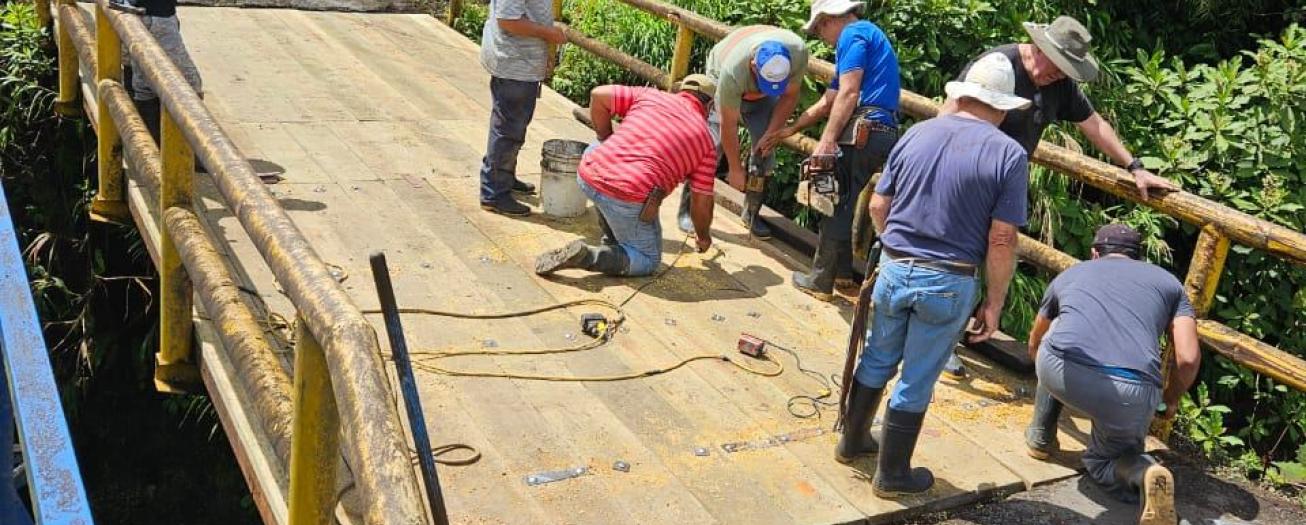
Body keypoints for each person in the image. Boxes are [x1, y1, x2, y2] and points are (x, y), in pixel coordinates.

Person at [939, 15, 1181, 379]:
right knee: (954, 257)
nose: (1057, 75)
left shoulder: (1061, 85)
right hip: (967, 173)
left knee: (984, 258)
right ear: (1038, 48)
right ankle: (938, 341)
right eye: (1056, 65)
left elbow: (1094, 124)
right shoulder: (998, 66)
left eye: (1066, 70)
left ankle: (949, 336)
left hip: (1004, 183)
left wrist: (1135, 166)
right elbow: (953, 108)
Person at [836, 53, 1030, 498]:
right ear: (1001, 107)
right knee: (917, 378)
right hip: (948, 279)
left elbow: (878, 206)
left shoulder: (917, 134)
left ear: (960, 96)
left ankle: (851, 441)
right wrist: (994, 303)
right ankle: (892, 475)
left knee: (878, 358)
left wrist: (894, 250)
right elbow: (1002, 240)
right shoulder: (1010, 155)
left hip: (895, 267)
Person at [1025, 223, 1200, 525]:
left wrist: (1043, 367)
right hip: (1131, 388)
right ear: (1138, 256)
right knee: (1107, 459)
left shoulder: (1072, 274)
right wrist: (1169, 399)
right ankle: (1145, 472)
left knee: (1056, 332)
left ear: (1095, 253)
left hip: (1061, 370)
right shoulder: (1170, 284)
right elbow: (1188, 358)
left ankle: (1040, 438)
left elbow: (1035, 340)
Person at [534, 75, 718, 277]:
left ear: (681, 90)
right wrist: (703, 237)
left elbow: (598, 95)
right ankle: (590, 256)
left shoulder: (649, 95)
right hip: (625, 194)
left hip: (589, 174)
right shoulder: (706, 143)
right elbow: (701, 202)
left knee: (601, 150)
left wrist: (605, 138)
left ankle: (613, 237)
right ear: (709, 106)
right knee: (648, 259)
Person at [780, 0, 900, 301]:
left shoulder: (853, 34)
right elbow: (829, 100)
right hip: (881, 130)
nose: (821, 34)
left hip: (864, 129)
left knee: (832, 200)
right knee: (844, 198)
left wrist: (827, 140)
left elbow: (849, 92)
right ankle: (844, 274)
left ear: (830, 19)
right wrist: (793, 128)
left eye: (820, 26)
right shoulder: (864, 37)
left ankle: (820, 280)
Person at [675, 25, 810, 240]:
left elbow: (789, 97)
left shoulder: (798, 53)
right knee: (710, 146)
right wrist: (735, 169)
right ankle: (688, 210)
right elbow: (727, 123)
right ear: (753, 66)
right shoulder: (732, 71)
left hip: (759, 96)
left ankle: (751, 214)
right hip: (721, 73)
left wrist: (771, 134)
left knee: (765, 151)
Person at [477, 0, 566, 217]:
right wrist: (549, 34)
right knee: (508, 130)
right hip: (514, 63)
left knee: (512, 127)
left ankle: (503, 178)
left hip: (520, 61)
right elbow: (508, 20)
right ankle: (494, 192)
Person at [113, 0, 203, 142]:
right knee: (190, 84)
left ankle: (143, 144)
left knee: (142, 81)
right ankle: (183, 149)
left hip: (130, 12)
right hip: (153, 15)